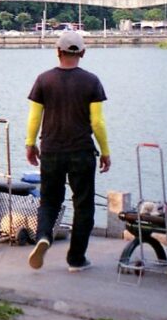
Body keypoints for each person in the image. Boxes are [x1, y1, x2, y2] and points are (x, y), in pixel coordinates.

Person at [25, 30, 111, 273]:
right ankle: (76, 259)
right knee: (83, 205)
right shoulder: (91, 81)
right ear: (82, 53)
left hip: (51, 150)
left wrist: (30, 144)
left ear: (57, 52)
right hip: (81, 152)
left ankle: (43, 236)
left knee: (49, 201)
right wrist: (105, 151)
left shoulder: (44, 79)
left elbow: (34, 117)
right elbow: (97, 123)